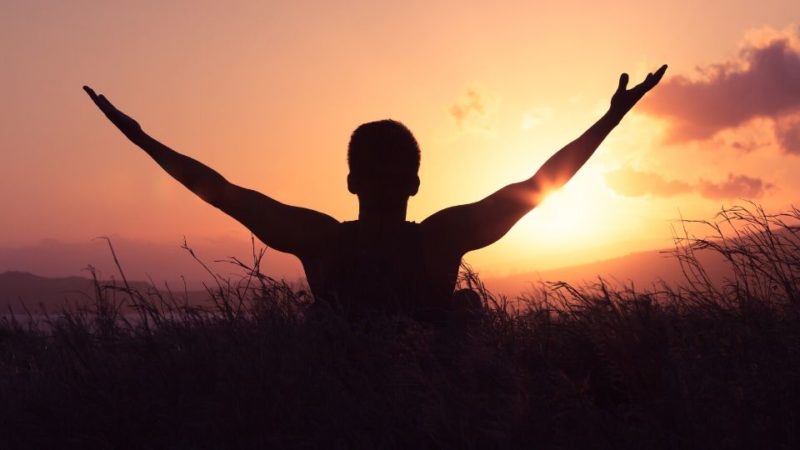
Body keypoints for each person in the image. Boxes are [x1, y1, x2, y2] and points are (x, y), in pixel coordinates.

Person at [83, 64, 667, 323]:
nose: (388, 184)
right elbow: (542, 186)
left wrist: (142, 141)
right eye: (386, 172)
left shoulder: (323, 241)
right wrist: (609, 120)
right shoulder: (441, 238)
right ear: (416, 183)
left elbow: (220, 192)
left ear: (350, 182)